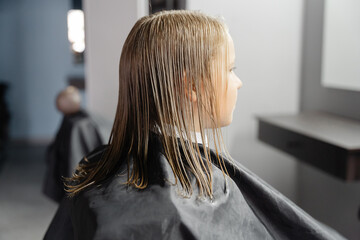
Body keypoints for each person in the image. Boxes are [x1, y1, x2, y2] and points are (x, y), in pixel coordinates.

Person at [44, 10, 347, 240]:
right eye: (230, 69)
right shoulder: (168, 209)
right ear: (191, 87)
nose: (238, 82)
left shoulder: (99, 163)